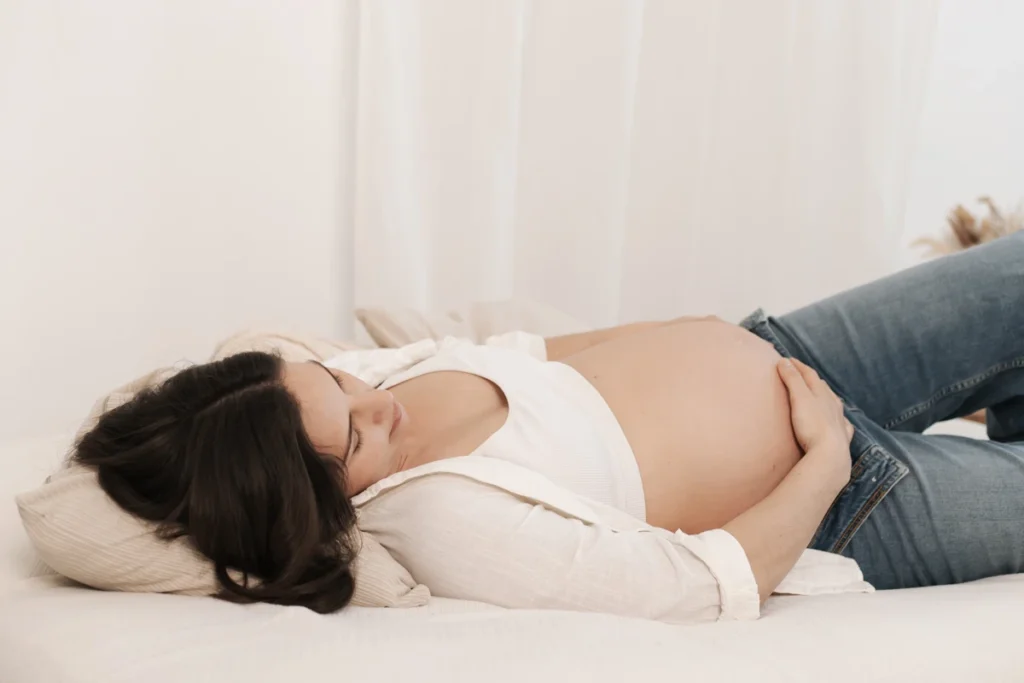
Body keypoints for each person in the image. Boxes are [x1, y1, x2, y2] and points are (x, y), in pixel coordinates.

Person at [75, 231, 1024, 621]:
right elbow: (697, 586)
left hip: (797, 349)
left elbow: (531, 348)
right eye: (359, 436)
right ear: (322, 497)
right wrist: (824, 455)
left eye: (335, 380)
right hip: (848, 495)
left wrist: (691, 335)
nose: (378, 401)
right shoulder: (441, 520)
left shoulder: (352, 392)